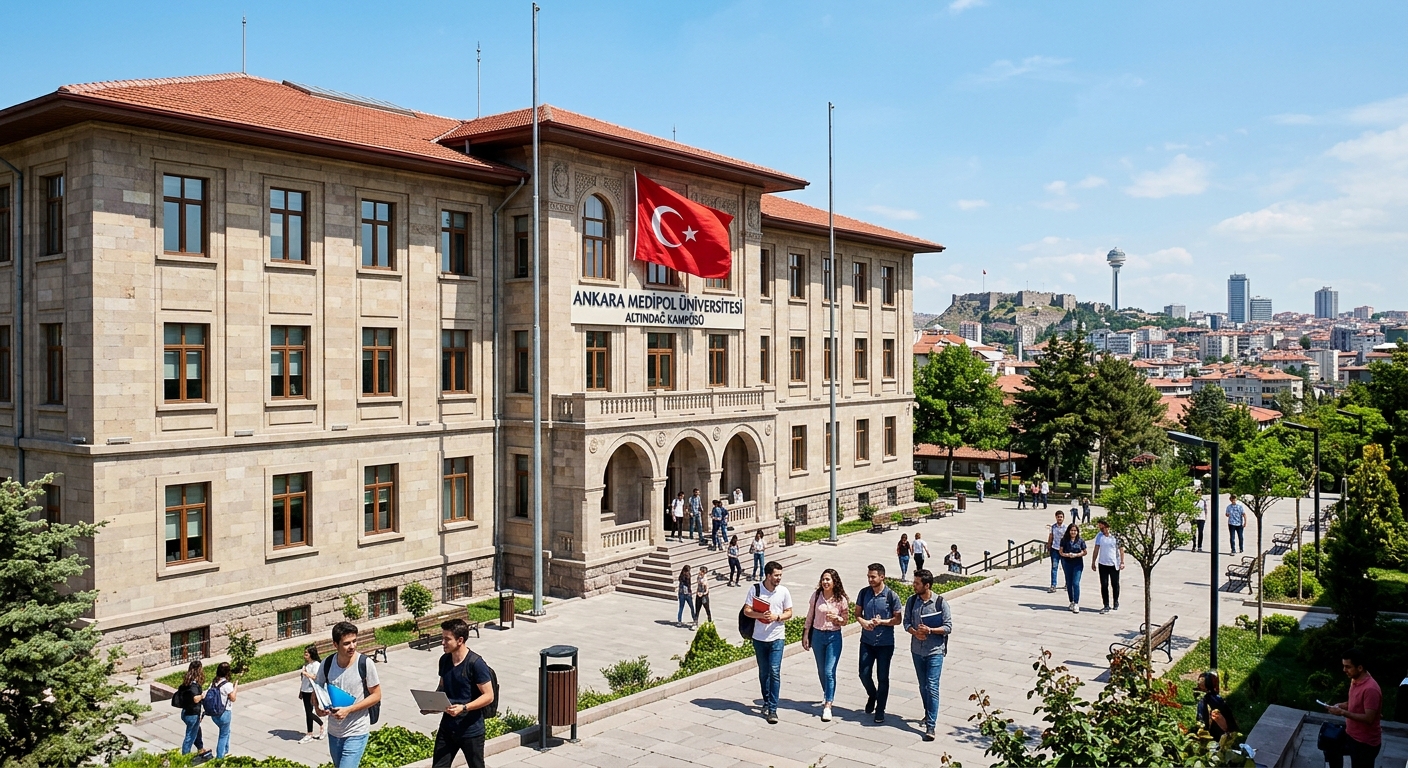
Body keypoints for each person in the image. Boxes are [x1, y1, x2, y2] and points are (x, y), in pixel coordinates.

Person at [422, 618, 495, 768]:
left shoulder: (476, 664)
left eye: (447, 639)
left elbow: (488, 696)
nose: (442, 642)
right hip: (447, 727)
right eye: (442, 638)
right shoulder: (444, 660)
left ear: (460, 640)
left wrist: (464, 707)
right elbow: (442, 687)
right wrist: (432, 704)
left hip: (471, 730)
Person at [314, 621, 383, 768]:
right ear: (335, 644)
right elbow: (317, 689)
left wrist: (349, 710)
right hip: (334, 732)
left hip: (356, 730)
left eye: (354, 641)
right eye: (346, 643)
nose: (352, 646)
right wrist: (318, 707)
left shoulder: (365, 663)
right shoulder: (326, 664)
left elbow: (376, 695)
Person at [742, 561, 794, 724]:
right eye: (776, 575)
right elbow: (746, 610)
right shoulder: (755, 589)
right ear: (768, 575)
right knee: (764, 672)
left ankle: (773, 709)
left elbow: (789, 612)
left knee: (774, 671)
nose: (779, 578)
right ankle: (766, 700)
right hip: (759, 638)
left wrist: (777, 617)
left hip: (777, 637)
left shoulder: (784, 591)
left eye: (780, 575)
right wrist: (760, 615)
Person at [903, 569, 952, 742]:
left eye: (917, 583)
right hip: (917, 650)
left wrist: (930, 630)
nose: (913, 586)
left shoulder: (940, 603)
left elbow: (948, 627)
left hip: (935, 651)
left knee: (932, 686)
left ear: (927, 585)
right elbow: (906, 622)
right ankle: (927, 711)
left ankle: (931, 725)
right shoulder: (911, 601)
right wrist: (915, 632)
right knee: (923, 686)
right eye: (914, 582)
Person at [854, 563, 902, 724]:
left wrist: (884, 622)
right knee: (864, 673)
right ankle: (872, 694)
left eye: (873, 576)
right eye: (868, 576)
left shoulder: (891, 596)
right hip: (867, 641)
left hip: (885, 643)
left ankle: (880, 709)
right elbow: (857, 614)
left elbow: (898, 619)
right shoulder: (864, 593)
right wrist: (864, 623)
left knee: (883, 677)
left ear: (882, 577)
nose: (870, 579)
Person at [801, 568, 848, 722]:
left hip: (834, 636)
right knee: (821, 670)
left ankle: (828, 704)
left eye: (828, 579)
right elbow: (810, 616)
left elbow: (845, 621)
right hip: (818, 635)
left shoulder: (841, 599)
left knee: (829, 671)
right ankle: (827, 692)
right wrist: (806, 634)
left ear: (835, 582)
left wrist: (837, 618)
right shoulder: (816, 596)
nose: (825, 582)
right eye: (823, 579)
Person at [1326, 648, 1382, 768]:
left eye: (1348, 667)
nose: (1344, 670)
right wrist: (1341, 705)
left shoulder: (1371, 689)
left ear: (1360, 668)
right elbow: (1355, 703)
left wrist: (1342, 712)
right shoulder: (1355, 680)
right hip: (1351, 736)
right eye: (1344, 666)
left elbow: (1369, 718)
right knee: (1329, 746)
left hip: (1365, 743)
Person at [176, 660, 210, 757]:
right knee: (190, 736)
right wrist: (203, 695)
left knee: (197, 730)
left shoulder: (187, 681)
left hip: (186, 712)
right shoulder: (194, 684)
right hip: (192, 714)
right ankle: (185, 757)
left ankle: (200, 748)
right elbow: (195, 699)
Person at [1091, 519, 1124, 613]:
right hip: (1103, 563)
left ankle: (1116, 601)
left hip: (1114, 564)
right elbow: (1096, 549)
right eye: (1099, 527)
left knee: (1115, 584)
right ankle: (1106, 604)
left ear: (1107, 526)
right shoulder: (1099, 536)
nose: (1101, 529)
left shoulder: (1116, 535)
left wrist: (1122, 562)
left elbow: (1121, 549)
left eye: (1102, 527)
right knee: (1104, 584)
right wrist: (1093, 561)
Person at [1195, 671, 1237, 741]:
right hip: (1225, 729)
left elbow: (1201, 717)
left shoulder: (1203, 700)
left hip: (1213, 731)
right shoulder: (1217, 698)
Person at [208, 661, 237, 759]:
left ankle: (226, 750)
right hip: (224, 714)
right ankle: (220, 757)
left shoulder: (213, 683)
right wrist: (235, 686)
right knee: (223, 735)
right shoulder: (227, 685)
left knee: (226, 731)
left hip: (214, 713)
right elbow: (233, 698)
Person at [298, 645, 326, 743]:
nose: (304, 655)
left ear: (311, 654)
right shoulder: (306, 665)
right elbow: (303, 680)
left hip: (312, 691)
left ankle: (319, 728)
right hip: (305, 690)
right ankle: (310, 733)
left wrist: (306, 674)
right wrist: (301, 691)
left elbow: (316, 677)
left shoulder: (316, 665)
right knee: (307, 712)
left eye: (306, 653)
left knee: (310, 712)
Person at [1059, 523, 1087, 613]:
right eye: (1072, 530)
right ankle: (1071, 601)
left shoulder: (1080, 540)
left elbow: (1085, 551)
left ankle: (1076, 603)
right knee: (1069, 583)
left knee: (1076, 583)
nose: (1073, 532)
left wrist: (1077, 555)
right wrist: (1067, 555)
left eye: (1075, 531)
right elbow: (1061, 551)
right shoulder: (1064, 540)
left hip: (1077, 563)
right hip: (1067, 562)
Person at [1046, 509, 1067, 594]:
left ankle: (1067, 583)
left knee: (1066, 568)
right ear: (1056, 517)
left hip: (1064, 550)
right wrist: (1049, 545)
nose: (1060, 518)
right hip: (1055, 549)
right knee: (1054, 567)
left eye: (1061, 517)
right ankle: (1053, 585)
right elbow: (1051, 536)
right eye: (1058, 517)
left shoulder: (1066, 528)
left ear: (1063, 518)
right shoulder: (1053, 527)